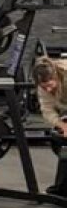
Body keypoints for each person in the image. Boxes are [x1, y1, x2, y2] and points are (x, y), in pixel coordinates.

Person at [33, 56, 67, 194]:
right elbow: (47, 110)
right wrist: (62, 125)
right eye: (43, 87)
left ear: (56, 77)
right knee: (63, 142)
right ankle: (63, 188)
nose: (47, 89)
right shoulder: (43, 88)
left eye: (50, 85)